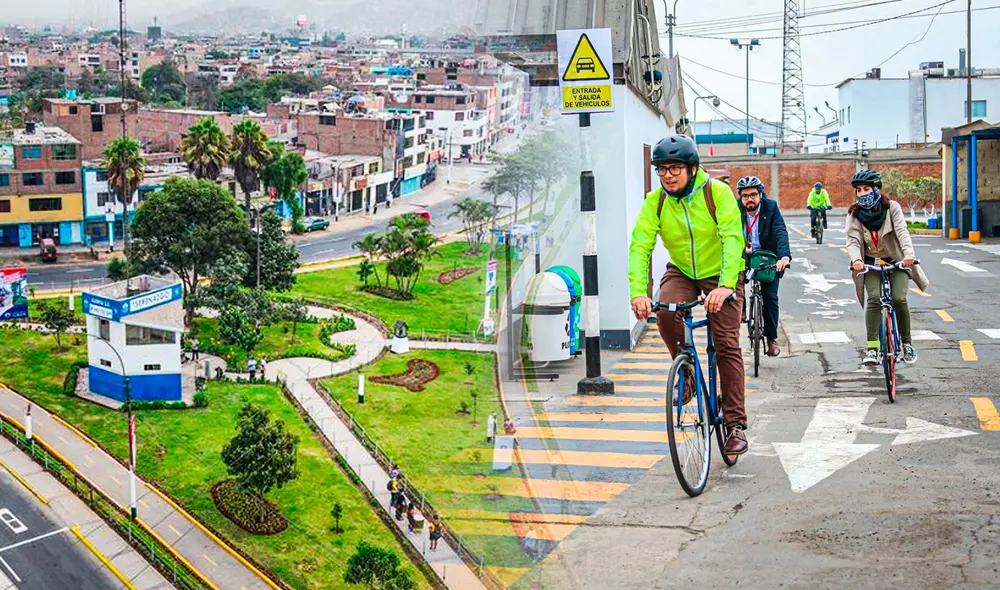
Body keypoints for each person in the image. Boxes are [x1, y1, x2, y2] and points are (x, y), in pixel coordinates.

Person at [628, 134, 749, 455]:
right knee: (665, 311)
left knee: (726, 345)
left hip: (722, 271)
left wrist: (725, 286)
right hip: (682, 270)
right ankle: (688, 374)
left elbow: (733, 239)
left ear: (693, 169)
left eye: (675, 168)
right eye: (661, 169)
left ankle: (735, 424)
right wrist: (639, 292)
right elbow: (640, 246)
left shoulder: (717, 194)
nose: (667, 175)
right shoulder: (655, 202)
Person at [846, 169, 929, 366]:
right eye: (859, 190)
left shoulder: (892, 208)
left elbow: (902, 232)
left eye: (867, 189)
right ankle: (873, 348)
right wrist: (857, 260)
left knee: (899, 299)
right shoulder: (854, 214)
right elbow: (852, 240)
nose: (862, 194)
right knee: (874, 299)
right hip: (871, 263)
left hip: (896, 261)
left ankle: (907, 344)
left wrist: (909, 255)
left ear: (877, 189)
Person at [736, 176, 792, 357]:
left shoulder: (771, 207)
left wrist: (783, 257)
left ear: (761, 194)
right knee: (734, 285)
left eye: (753, 195)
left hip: (768, 257)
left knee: (770, 297)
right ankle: (742, 313)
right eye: (745, 196)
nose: (749, 199)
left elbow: (780, 231)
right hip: (742, 255)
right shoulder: (734, 209)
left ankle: (771, 339)